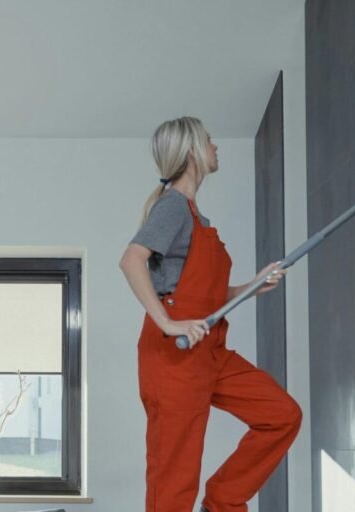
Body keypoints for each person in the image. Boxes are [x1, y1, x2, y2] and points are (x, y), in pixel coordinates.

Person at [119, 116, 302, 512]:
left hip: (209, 352)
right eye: (208, 140)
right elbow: (131, 260)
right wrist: (167, 323)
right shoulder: (173, 208)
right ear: (191, 153)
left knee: (281, 415)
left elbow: (207, 297)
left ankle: (222, 501)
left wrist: (252, 286)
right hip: (174, 359)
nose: (215, 146)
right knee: (173, 487)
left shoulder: (196, 217)